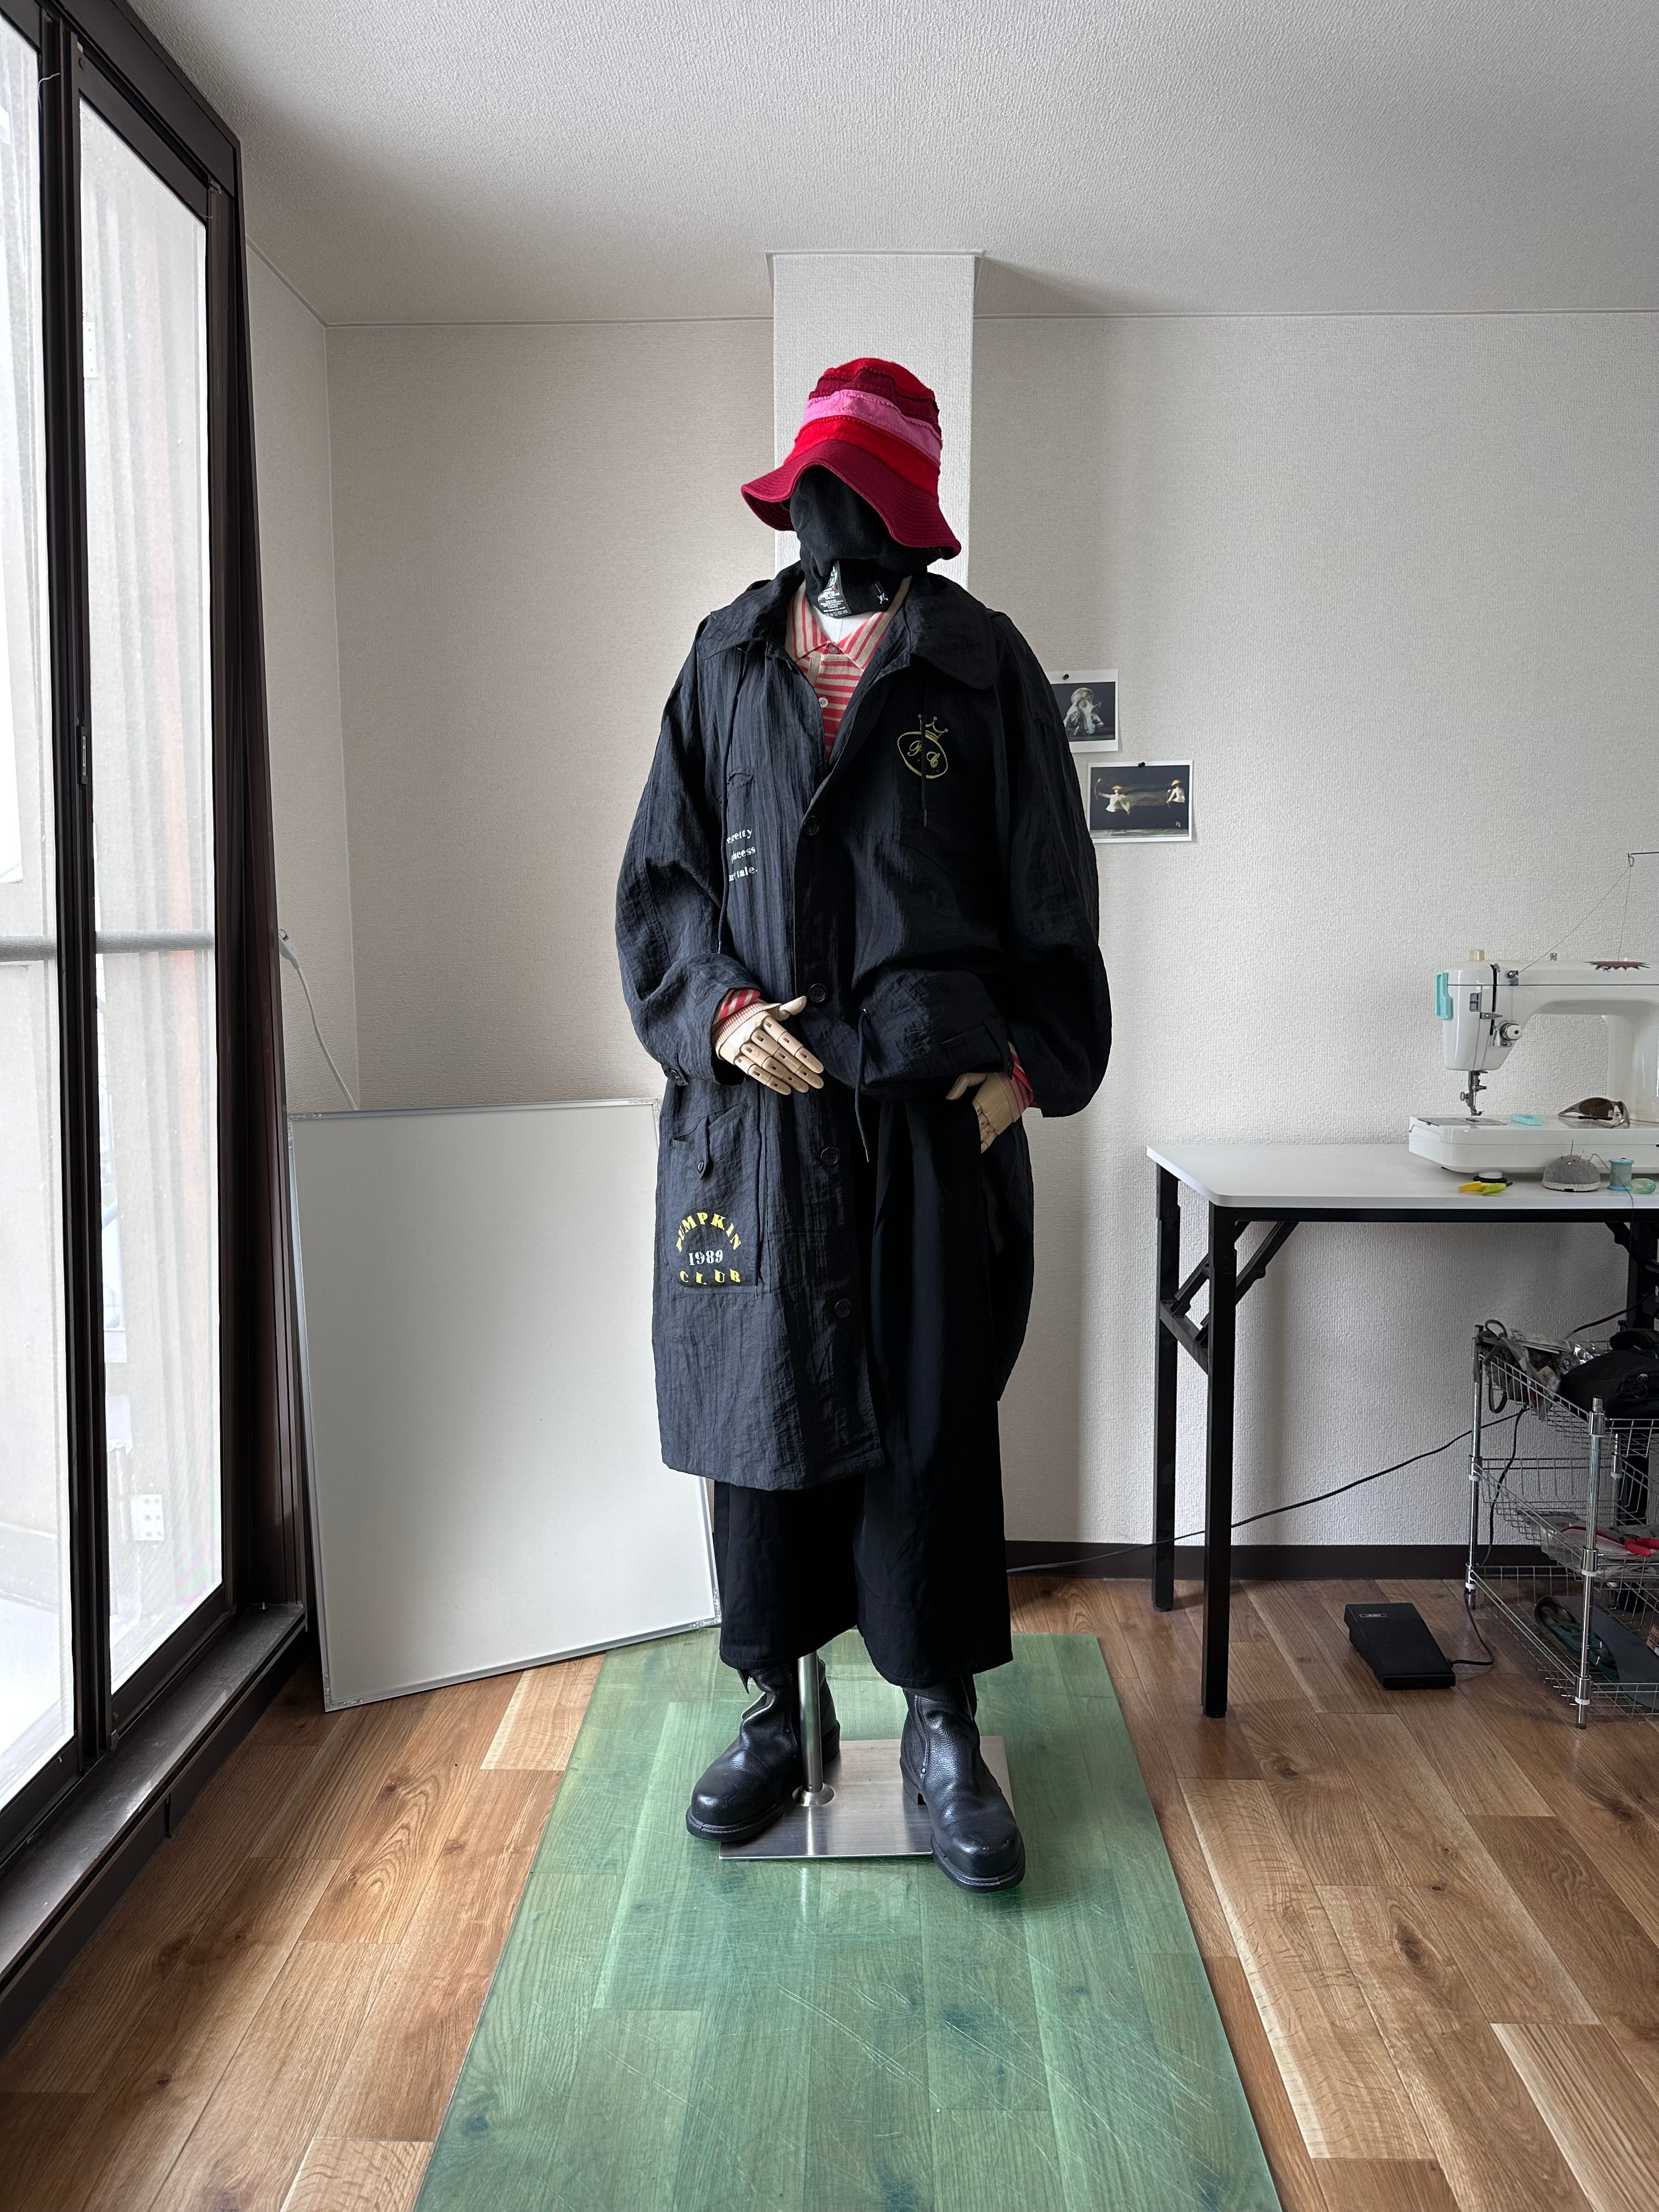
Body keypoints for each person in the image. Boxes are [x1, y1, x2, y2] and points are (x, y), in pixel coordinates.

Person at [616, 357, 1111, 1891]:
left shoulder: (980, 664)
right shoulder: (725, 660)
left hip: (923, 1113)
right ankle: (777, 1706)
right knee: (758, 1416)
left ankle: (942, 1719)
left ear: (905, 513)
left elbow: (1051, 884)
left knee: (930, 1419)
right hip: (762, 1120)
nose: (829, 516)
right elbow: (663, 878)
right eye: (815, 488)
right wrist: (715, 1012)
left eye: (859, 491)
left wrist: (1028, 1067)